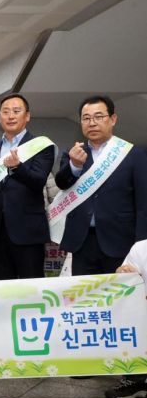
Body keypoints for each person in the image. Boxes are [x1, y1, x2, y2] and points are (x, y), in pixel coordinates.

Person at [53, 95, 147, 276]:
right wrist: (74, 165)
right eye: (86, 118)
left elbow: (143, 204)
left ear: (113, 119)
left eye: (98, 117)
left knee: (120, 298)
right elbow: (61, 183)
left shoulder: (133, 154)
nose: (92, 123)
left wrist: (141, 244)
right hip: (82, 240)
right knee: (85, 299)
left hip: (121, 241)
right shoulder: (74, 153)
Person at [0, 93, 55, 280]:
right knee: (1, 287)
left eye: (16, 111)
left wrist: (17, 167)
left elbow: (38, 180)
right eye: (5, 112)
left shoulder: (41, 145)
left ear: (27, 116)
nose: (11, 116)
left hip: (28, 231)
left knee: (31, 287)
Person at [103, 239, 147, 398]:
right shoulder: (141, 247)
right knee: (127, 317)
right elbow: (124, 277)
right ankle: (137, 380)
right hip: (143, 311)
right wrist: (123, 273)